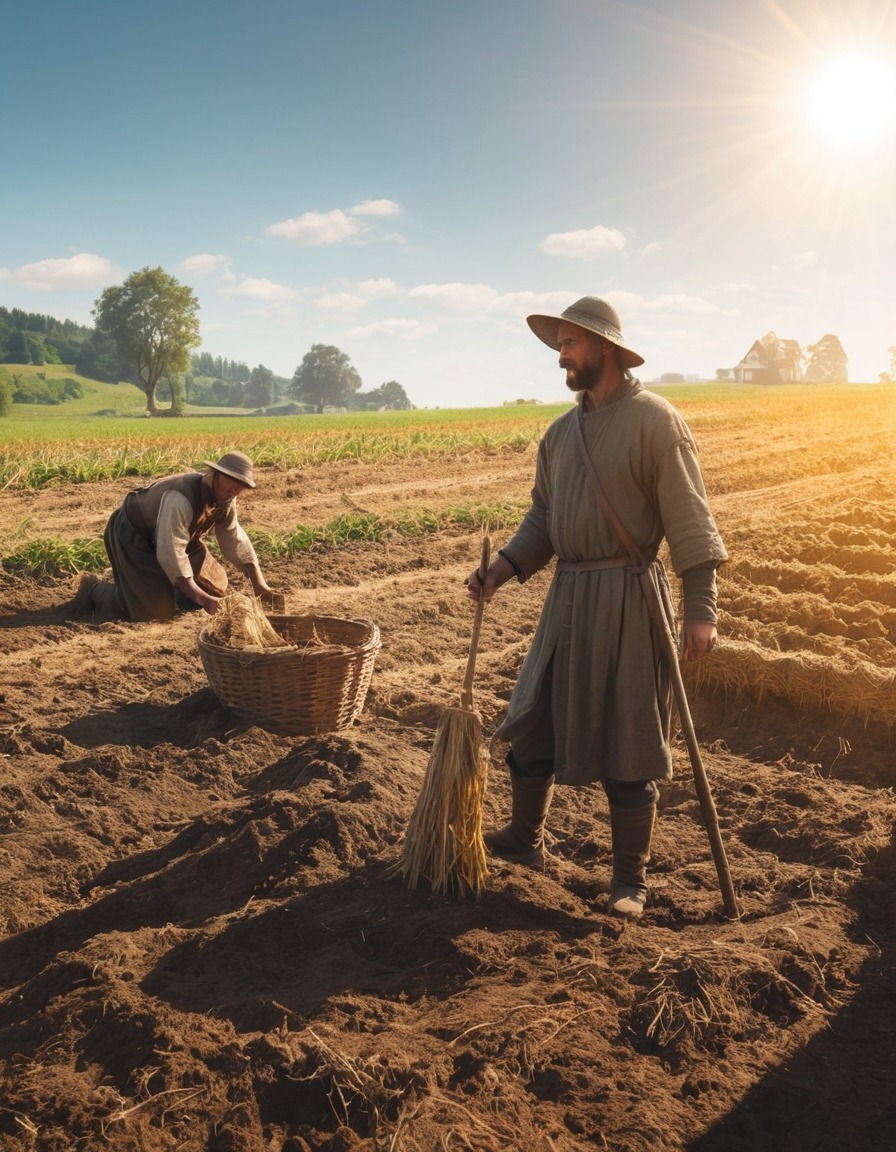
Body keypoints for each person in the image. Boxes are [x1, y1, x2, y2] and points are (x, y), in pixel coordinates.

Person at [467, 296, 727, 918]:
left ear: (603, 346)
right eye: (557, 345)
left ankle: (628, 882)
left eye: (569, 345)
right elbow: (546, 519)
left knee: (631, 740)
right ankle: (526, 839)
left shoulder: (656, 422)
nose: (560, 356)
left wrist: (701, 607)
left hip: (630, 598)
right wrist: (502, 567)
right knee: (530, 720)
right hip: (569, 599)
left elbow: (690, 518)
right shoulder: (560, 434)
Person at [74, 451, 275, 622]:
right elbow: (171, 550)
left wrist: (259, 583)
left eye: (242, 485)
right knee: (152, 613)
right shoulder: (180, 497)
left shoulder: (226, 498)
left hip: (177, 537)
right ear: (215, 475)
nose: (236, 489)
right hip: (135, 535)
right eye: (231, 480)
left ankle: (168, 590)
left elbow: (233, 536)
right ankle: (96, 589)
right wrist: (204, 600)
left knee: (214, 587)